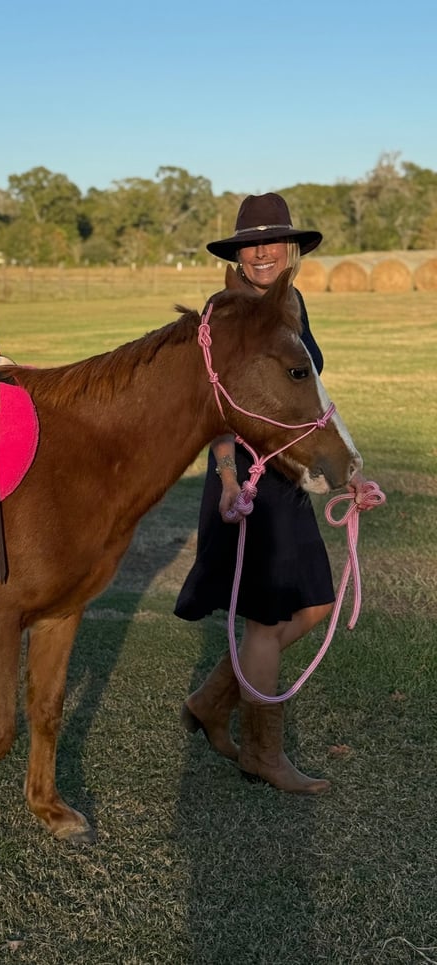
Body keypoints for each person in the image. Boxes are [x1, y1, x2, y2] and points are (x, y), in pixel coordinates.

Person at [175, 192, 363, 794]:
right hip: (250, 482)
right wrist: (229, 481)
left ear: (290, 250)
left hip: (290, 469)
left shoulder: (290, 301)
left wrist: (349, 471)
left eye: (272, 242)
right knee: (267, 620)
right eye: (250, 244)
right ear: (236, 253)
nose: (261, 253)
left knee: (313, 607)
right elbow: (218, 407)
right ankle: (262, 752)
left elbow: (309, 392)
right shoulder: (227, 310)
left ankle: (210, 701)